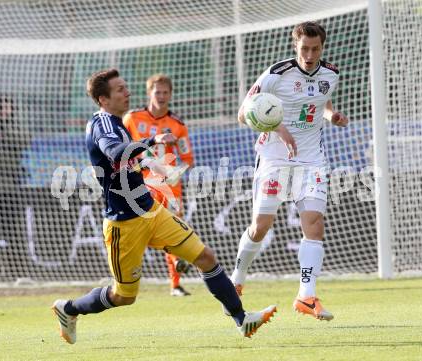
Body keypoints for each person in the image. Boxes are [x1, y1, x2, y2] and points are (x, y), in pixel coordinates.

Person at [51, 68, 276, 344]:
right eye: (120, 89)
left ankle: (242, 320)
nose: (127, 92)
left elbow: (128, 159)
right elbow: (115, 152)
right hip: (125, 223)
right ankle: (68, 309)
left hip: (151, 210)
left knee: (205, 257)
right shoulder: (104, 124)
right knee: (123, 296)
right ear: (103, 99)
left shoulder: (117, 121)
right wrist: (149, 145)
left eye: (125, 86)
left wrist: (153, 159)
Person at [230, 21, 348, 321]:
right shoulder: (276, 74)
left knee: (314, 222)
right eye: (304, 48)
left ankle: (306, 296)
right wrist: (278, 128)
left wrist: (331, 114)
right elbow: (244, 114)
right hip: (273, 158)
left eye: (315, 48)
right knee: (261, 225)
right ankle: (237, 278)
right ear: (295, 46)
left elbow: (320, 101)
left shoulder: (331, 74)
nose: (309, 54)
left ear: (322, 47)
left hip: (312, 160)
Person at [123, 74, 193, 297]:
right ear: (149, 94)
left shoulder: (178, 126)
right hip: (139, 182)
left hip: (170, 186)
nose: (161, 97)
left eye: (165, 93)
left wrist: (176, 172)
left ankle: (176, 284)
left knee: (174, 226)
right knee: (138, 230)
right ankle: (124, 278)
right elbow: (121, 149)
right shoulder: (132, 119)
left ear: (170, 95)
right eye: (157, 92)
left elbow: (188, 158)